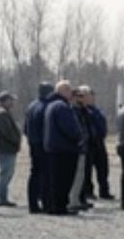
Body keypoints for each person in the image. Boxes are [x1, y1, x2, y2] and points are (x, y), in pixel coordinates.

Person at [43, 81, 85, 216]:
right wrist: (79, 138)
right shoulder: (62, 107)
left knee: (54, 180)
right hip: (64, 149)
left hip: (54, 148)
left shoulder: (51, 105)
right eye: (69, 91)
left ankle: (53, 205)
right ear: (64, 91)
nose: (71, 94)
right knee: (63, 180)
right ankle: (60, 207)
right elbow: (69, 128)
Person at [23, 82, 55, 214]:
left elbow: (25, 128)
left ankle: (33, 204)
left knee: (34, 173)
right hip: (43, 144)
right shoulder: (47, 107)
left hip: (33, 143)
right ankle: (47, 203)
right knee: (45, 175)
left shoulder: (31, 106)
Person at [0, 92, 22, 207]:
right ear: (4, 101)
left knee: (8, 173)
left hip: (8, 148)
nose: (13, 102)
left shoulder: (5, 113)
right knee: (5, 173)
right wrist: (16, 141)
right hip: (5, 148)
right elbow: (6, 132)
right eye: (10, 100)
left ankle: (3, 197)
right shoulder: (1, 114)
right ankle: (2, 198)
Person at [68, 86, 95, 211]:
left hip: (86, 146)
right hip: (78, 147)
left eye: (83, 96)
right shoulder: (71, 110)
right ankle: (74, 200)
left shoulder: (84, 111)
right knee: (76, 176)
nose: (82, 99)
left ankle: (81, 198)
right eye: (79, 96)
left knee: (84, 176)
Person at [84, 88, 112, 200]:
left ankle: (104, 191)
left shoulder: (97, 110)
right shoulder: (83, 110)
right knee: (87, 170)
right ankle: (88, 191)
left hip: (99, 142)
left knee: (103, 168)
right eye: (89, 96)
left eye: (92, 95)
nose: (91, 98)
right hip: (89, 143)